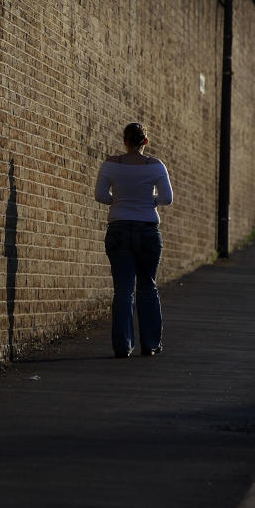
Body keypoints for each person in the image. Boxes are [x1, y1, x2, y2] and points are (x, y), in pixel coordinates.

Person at [94, 122, 173, 358]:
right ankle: (150, 344)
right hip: (147, 231)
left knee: (123, 290)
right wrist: (149, 202)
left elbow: (100, 195)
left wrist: (118, 202)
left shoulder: (110, 165)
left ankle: (123, 346)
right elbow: (167, 198)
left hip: (118, 229)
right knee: (148, 286)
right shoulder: (156, 166)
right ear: (145, 142)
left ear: (124, 141)